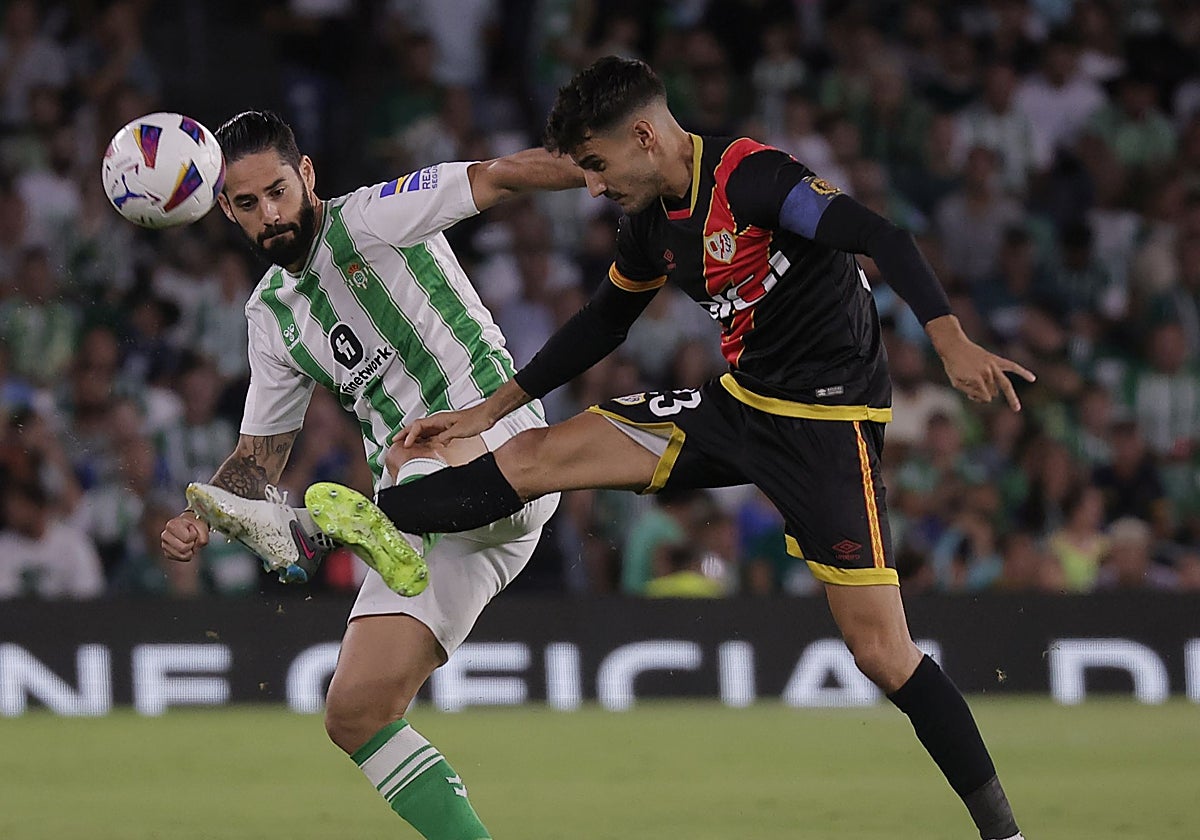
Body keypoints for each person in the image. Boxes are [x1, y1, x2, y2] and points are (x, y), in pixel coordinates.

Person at [217, 58, 1033, 839]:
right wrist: (490, 410)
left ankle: (1005, 834)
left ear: (644, 137)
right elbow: (603, 324)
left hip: (826, 426)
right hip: (737, 406)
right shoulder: (650, 226)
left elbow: (879, 234)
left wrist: (949, 339)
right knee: (535, 456)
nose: (594, 188)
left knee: (882, 653)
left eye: (599, 167)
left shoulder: (751, 177)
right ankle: (341, 525)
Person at [162, 110, 582, 840]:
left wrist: (601, 171)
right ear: (226, 209)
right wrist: (203, 515)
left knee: (406, 465)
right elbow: (260, 456)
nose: (270, 215)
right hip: (424, 520)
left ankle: (325, 528)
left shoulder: (378, 216)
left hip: (499, 450)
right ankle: (351, 523)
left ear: (307, 175)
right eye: (249, 203)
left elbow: (497, 177)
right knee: (354, 713)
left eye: (278, 192)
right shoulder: (271, 314)